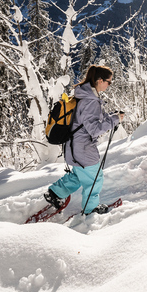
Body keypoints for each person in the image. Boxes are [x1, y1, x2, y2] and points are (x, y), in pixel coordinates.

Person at [44, 65, 124, 215]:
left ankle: (55, 193)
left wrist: (111, 117)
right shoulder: (91, 101)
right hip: (83, 148)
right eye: (109, 82)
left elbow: (85, 120)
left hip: (73, 146)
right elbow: (94, 129)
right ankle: (91, 209)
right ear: (100, 80)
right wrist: (115, 120)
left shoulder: (83, 95)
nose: (109, 85)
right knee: (94, 178)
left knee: (80, 174)